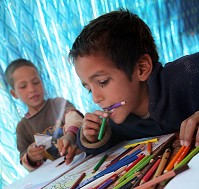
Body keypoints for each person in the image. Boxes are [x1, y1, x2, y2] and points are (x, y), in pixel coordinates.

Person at [68, 9, 199, 155]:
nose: (95, 98)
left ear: (141, 69)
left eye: (103, 82)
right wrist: (91, 136)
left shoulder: (186, 75)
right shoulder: (121, 122)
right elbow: (96, 143)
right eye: (89, 89)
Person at [5, 58, 84, 171]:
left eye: (36, 82)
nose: (32, 89)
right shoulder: (22, 128)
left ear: (42, 82)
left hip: (80, 161)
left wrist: (70, 135)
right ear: (14, 94)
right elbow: (24, 161)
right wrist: (31, 156)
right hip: (54, 175)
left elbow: (74, 118)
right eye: (23, 86)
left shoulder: (58, 104)